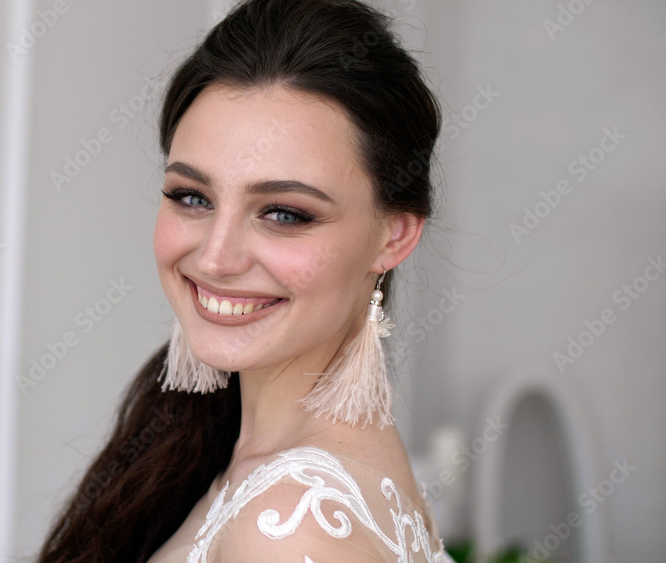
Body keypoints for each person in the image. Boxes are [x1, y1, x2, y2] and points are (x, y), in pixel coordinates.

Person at [40, 0, 455, 561]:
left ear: (394, 236)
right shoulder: (239, 452)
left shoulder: (290, 528)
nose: (215, 258)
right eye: (192, 197)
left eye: (284, 213)